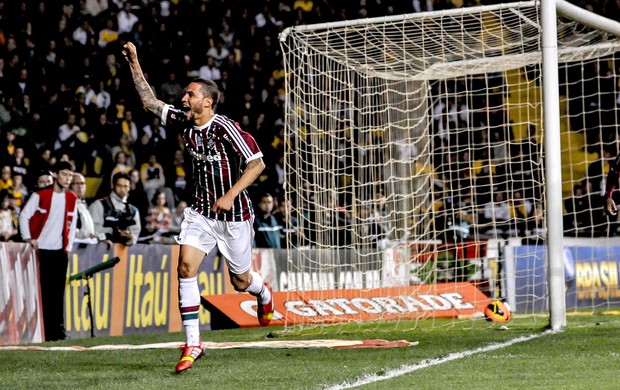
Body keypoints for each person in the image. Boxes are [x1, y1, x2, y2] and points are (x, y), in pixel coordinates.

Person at [123, 41, 275, 374]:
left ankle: (263, 293)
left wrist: (232, 194)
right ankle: (194, 343)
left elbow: (257, 164)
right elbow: (149, 102)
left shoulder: (227, 128)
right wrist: (135, 62)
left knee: (239, 281)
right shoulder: (185, 123)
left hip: (233, 216)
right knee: (184, 269)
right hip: (200, 213)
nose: (184, 98)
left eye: (190, 94)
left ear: (207, 102)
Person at [18, 161, 78, 341]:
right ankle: (44, 331)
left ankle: (57, 332)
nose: (67, 178)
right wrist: (28, 238)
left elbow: (72, 225)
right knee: (44, 292)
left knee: (58, 293)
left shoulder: (72, 198)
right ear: (56, 175)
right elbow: (24, 215)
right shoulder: (41, 195)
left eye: (69, 175)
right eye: (64, 174)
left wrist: (68, 246)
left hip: (60, 251)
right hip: (42, 250)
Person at [89, 172, 141, 247]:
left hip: (122, 252)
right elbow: (93, 230)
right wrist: (113, 232)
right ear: (113, 186)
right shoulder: (99, 205)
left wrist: (130, 238)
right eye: (119, 186)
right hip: (100, 250)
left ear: (129, 187)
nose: (122, 189)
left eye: (125, 186)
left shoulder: (133, 211)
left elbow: (134, 235)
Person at [70, 173, 97, 241]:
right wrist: (87, 236)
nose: (80, 187)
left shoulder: (84, 204)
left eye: (82, 183)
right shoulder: (68, 204)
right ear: (69, 186)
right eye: (77, 183)